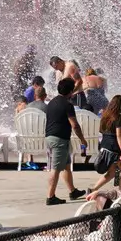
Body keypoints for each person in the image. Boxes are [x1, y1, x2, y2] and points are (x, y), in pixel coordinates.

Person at [42, 77, 87, 206]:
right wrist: (83, 140)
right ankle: (50, 197)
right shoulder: (67, 105)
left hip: (51, 137)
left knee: (66, 165)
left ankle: (73, 191)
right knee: (55, 168)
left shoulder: (52, 102)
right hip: (59, 139)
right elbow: (75, 125)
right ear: (71, 91)